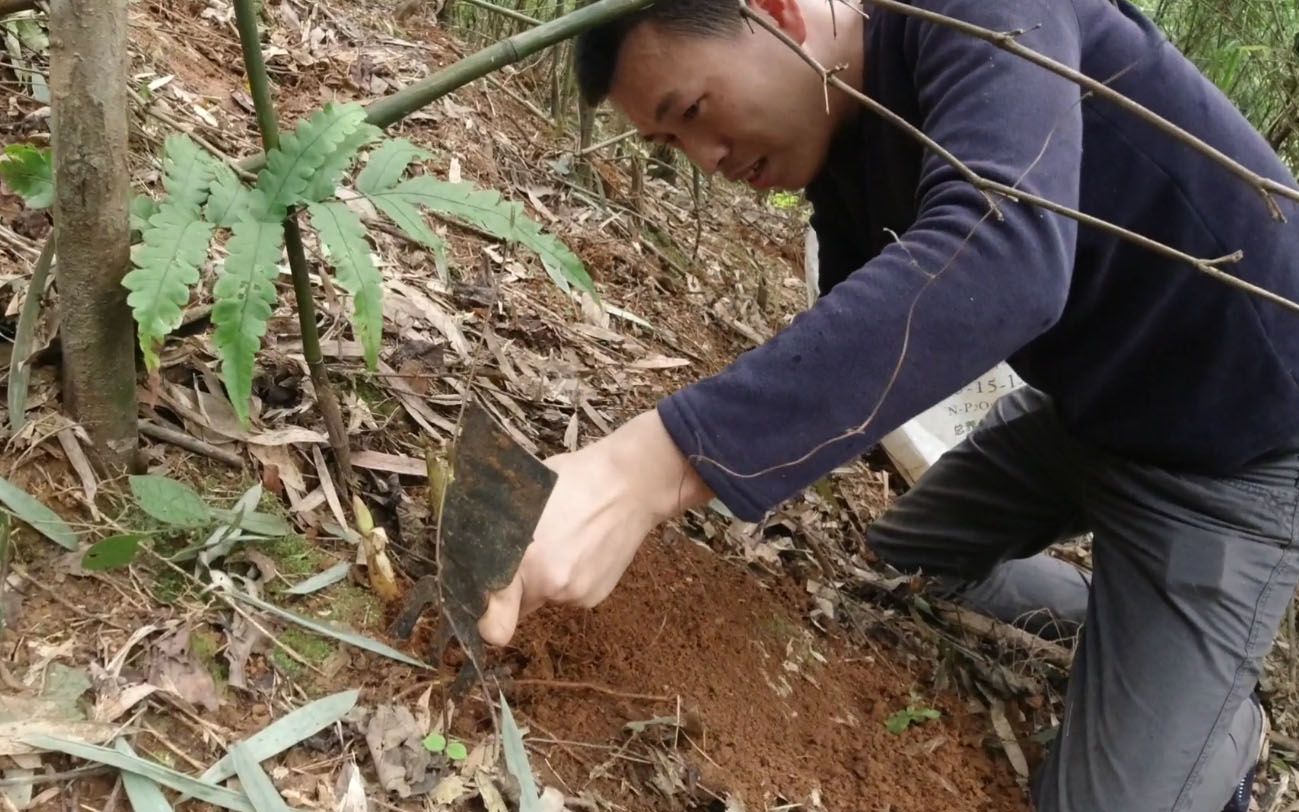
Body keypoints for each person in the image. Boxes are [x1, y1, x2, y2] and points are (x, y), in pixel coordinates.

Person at [475, 0, 1299, 809]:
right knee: (905, 574)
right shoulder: (846, 133)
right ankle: (1136, 636)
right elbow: (870, 322)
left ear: (775, 12)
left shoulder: (983, 15)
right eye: (671, 142)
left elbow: (1002, 254)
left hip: (1233, 450)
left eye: (693, 110)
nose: (705, 156)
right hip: (1088, 408)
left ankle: (1219, 721)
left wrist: (647, 468)